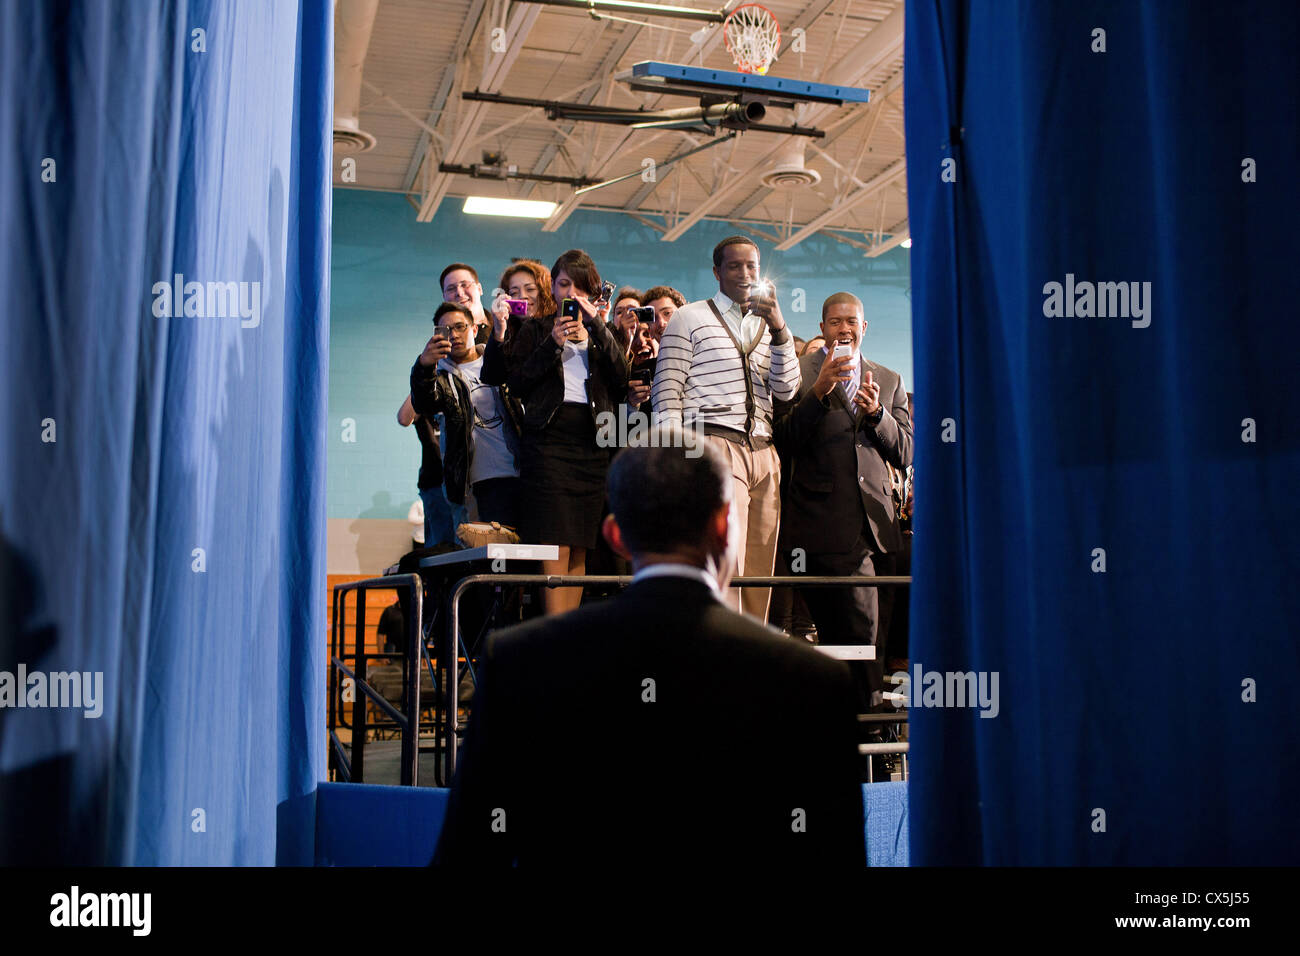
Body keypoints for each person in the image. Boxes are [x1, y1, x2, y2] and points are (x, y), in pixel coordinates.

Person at [432, 435, 865, 868]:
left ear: (615, 535)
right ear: (725, 525)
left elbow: (467, 855)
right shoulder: (813, 682)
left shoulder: (520, 663)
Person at [774, 292, 912, 709]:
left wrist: (878, 417)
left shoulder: (887, 380)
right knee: (851, 638)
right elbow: (784, 440)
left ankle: (866, 726)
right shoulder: (797, 374)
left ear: (864, 327)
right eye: (835, 322)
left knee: (872, 640)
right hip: (821, 530)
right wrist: (819, 391)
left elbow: (906, 452)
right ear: (822, 329)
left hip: (879, 533)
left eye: (851, 321)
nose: (844, 329)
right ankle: (861, 722)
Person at [651, 236, 799, 620]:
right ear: (717, 272)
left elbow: (787, 389)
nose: (745, 274)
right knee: (725, 555)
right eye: (734, 266)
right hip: (713, 442)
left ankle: (749, 654)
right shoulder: (690, 317)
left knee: (761, 566)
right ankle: (717, 649)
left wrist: (781, 329)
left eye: (752, 265)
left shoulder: (772, 326)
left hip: (764, 451)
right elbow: (667, 391)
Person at [481, 249, 629, 615]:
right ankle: (554, 627)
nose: (571, 294)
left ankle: (568, 631)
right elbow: (516, 383)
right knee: (555, 542)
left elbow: (622, 379)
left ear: (592, 292)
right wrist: (554, 344)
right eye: (564, 285)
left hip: (592, 445)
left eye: (581, 288)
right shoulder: (535, 328)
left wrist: (596, 325)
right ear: (554, 287)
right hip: (549, 441)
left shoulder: (601, 330)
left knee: (580, 542)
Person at [410, 302, 523, 529]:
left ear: (474, 329)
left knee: (531, 553)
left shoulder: (499, 358)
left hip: (523, 471)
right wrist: (424, 365)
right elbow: (423, 403)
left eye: (460, 327)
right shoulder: (441, 378)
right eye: (446, 330)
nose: (454, 335)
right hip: (479, 482)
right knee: (492, 556)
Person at [396, 393, 456, 546]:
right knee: (439, 543)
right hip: (434, 482)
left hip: (460, 482)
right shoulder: (425, 408)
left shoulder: (456, 397)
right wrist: (422, 379)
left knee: (460, 543)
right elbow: (403, 419)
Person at [490, 258, 556, 351]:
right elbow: (492, 365)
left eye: (530, 289)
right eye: (514, 293)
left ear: (545, 293)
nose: (522, 296)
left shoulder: (556, 329)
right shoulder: (506, 333)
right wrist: (499, 331)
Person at [440, 262, 490, 345]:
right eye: (451, 289)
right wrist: (424, 358)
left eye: (465, 285)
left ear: (479, 289)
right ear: (444, 297)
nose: (459, 293)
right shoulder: (444, 340)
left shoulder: (504, 326)